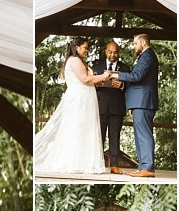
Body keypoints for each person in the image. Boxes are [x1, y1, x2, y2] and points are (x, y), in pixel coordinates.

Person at [34, 36, 111, 174]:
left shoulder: (78, 61)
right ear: (77, 48)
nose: (86, 50)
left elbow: (88, 79)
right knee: (77, 127)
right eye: (85, 48)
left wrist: (97, 81)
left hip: (84, 97)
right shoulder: (74, 60)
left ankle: (82, 162)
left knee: (84, 128)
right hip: (79, 99)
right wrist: (104, 76)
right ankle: (74, 162)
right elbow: (85, 79)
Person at [111, 33, 160, 178]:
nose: (134, 46)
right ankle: (143, 166)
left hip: (144, 101)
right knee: (140, 136)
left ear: (143, 43)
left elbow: (137, 76)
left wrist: (116, 74)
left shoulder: (147, 56)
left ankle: (148, 167)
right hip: (139, 102)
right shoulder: (144, 56)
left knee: (144, 135)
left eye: (135, 44)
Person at [92, 41, 130, 174]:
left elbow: (130, 88)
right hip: (101, 107)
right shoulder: (97, 67)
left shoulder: (125, 68)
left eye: (115, 52)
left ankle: (114, 165)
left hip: (117, 108)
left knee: (115, 138)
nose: (113, 54)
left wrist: (121, 86)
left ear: (118, 53)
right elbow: (88, 85)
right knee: (98, 137)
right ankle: (98, 164)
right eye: (110, 52)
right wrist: (97, 84)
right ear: (105, 51)